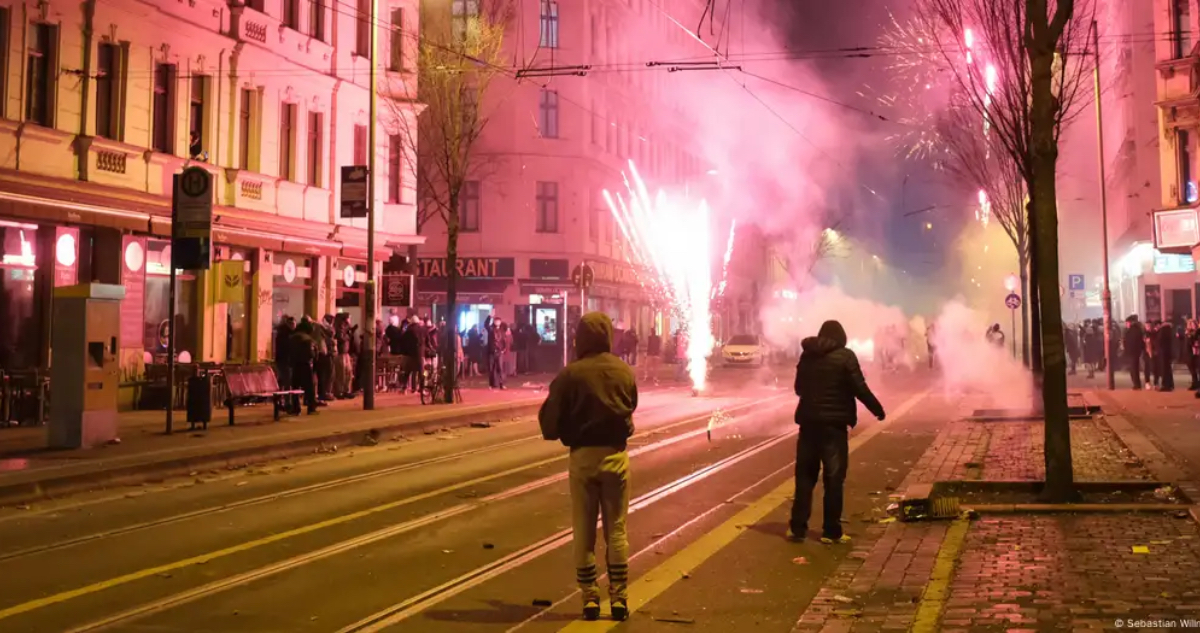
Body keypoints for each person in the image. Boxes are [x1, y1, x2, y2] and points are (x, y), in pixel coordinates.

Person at [538, 312, 637, 622]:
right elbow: (631, 406)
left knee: (583, 530)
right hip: (615, 456)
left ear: (580, 338)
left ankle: (590, 599)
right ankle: (619, 598)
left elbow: (549, 424)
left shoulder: (570, 375)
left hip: (582, 458)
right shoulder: (623, 370)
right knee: (617, 530)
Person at [789, 320, 885, 544]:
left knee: (804, 478)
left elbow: (798, 389)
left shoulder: (807, 355)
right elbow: (859, 388)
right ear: (841, 338)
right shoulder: (846, 357)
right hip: (834, 428)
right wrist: (877, 410)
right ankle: (831, 531)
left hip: (808, 424)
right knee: (833, 479)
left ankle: (797, 528)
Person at [290, 317, 320, 414]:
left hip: (295, 365)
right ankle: (311, 408)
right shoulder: (308, 339)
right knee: (309, 388)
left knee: (295, 388)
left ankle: (296, 408)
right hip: (306, 365)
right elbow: (312, 354)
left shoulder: (293, 337)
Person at [1124, 316, 1145, 390]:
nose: (1126, 324)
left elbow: (1133, 342)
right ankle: (1136, 384)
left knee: (1134, 369)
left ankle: (1136, 384)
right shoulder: (1135, 330)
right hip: (1134, 352)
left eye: (1127, 323)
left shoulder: (1134, 330)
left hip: (1133, 352)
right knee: (1134, 369)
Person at [1158, 319, 1176, 391]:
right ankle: (1170, 384)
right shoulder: (1171, 330)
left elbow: (1160, 341)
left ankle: (1166, 385)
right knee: (1168, 369)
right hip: (1168, 352)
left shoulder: (1164, 330)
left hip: (1163, 352)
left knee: (1164, 369)